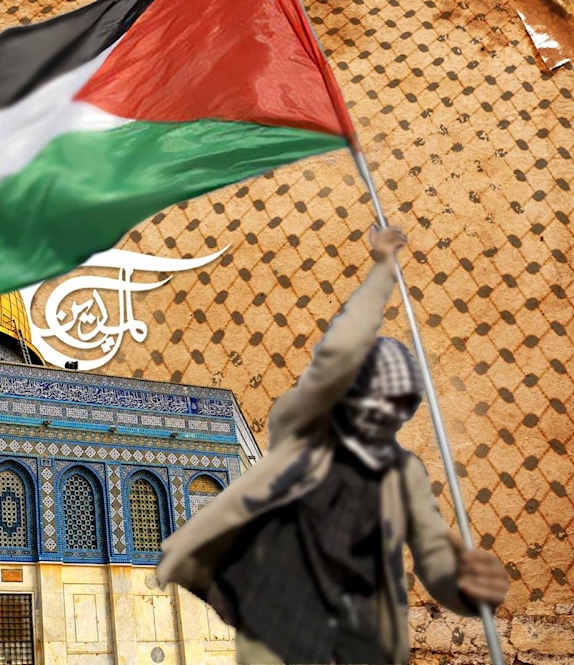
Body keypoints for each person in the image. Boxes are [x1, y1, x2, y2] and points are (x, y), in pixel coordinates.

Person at [156, 227, 509, 665]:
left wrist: (466, 589)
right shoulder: (303, 429)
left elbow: (432, 555)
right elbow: (340, 345)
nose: (390, 413)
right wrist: (382, 272)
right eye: (381, 398)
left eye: (402, 404)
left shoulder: (404, 473)